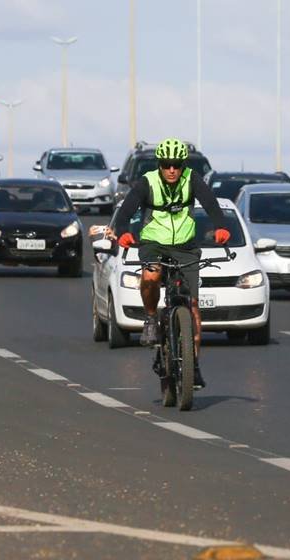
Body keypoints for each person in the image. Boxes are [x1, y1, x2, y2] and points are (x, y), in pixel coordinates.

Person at [111, 138, 231, 390]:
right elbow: (125, 211)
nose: (172, 170)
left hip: (185, 247)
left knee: (194, 307)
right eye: (167, 165)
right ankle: (151, 318)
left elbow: (210, 203)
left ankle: (193, 366)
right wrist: (122, 231)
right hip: (153, 243)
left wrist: (220, 226)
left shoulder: (192, 179)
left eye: (177, 164)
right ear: (160, 165)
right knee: (151, 277)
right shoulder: (148, 182)